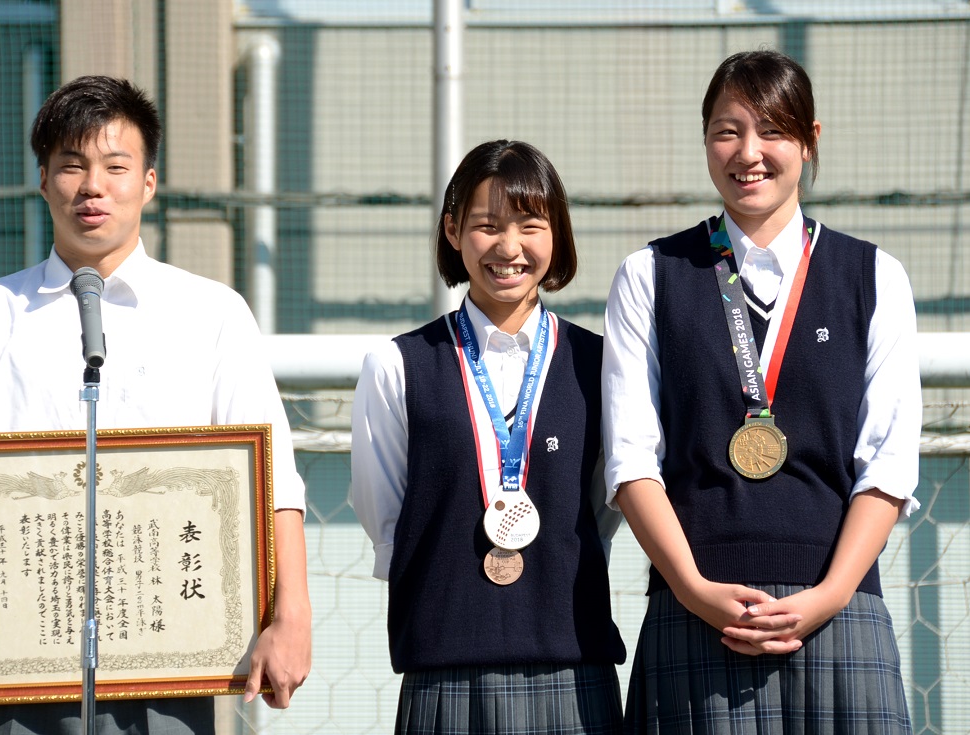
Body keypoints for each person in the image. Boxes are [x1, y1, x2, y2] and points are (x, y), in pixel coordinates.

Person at [0, 75, 311, 734]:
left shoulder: (211, 312)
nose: (92, 185)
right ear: (43, 182)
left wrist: (292, 614)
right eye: (71, 166)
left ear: (149, 182)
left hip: (170, 665)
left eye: (115, 166)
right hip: (10, 673)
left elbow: (273, 478)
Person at [602, 50, 920, 733]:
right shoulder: (647, 275)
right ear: (704, 141)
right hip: (694, 614)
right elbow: (630, 460)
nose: (748, 152)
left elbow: (887, 463)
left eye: (771, 129)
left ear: (808, 140)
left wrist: (828, 594)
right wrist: (692, 588)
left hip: (840, 615)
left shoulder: (874, 276)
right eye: (726, 130)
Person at [351, 139, 626, 735]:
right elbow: (389, 519)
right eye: (486, 225)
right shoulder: (396, 367)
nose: (509, 247)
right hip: (443, 672)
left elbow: (605, 508)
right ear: (452, 231)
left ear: (558, 235)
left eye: (530, 224)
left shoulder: (599, 366)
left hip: (573, 668)